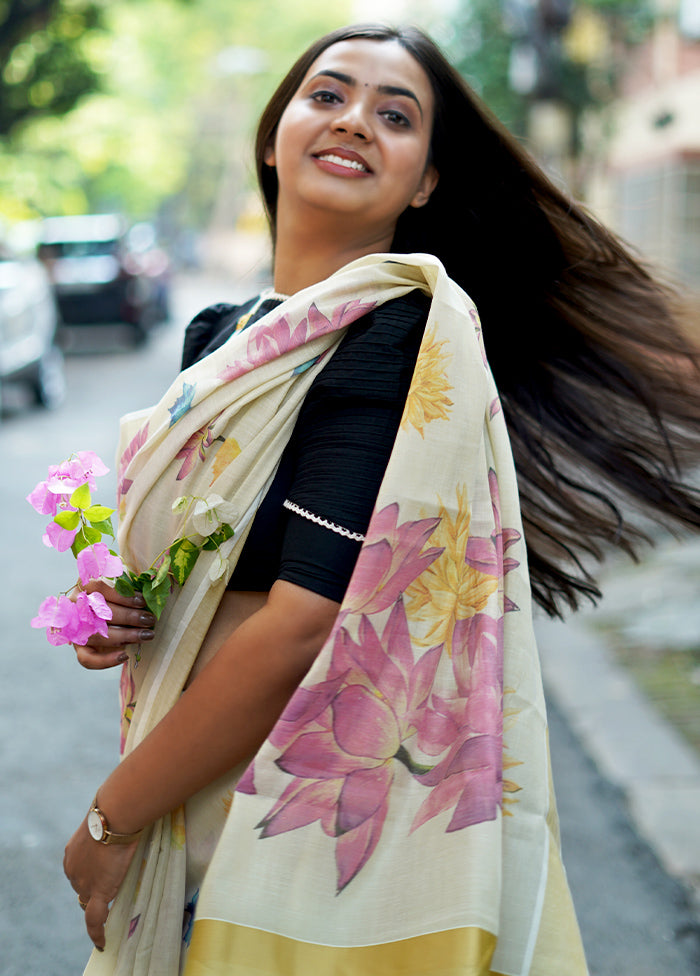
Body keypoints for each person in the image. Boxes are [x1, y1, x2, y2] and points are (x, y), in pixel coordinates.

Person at [63, 23, 700, 976]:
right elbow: (200, 580)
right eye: (328, 95)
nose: (355, 120)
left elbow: (300, 625)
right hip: (189, 781)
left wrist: (110, 820)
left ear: (427, 178)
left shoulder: (395, 331)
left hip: (282, 822)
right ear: (275, 132)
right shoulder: (224, 335)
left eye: (394, 115)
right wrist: (130, 610)